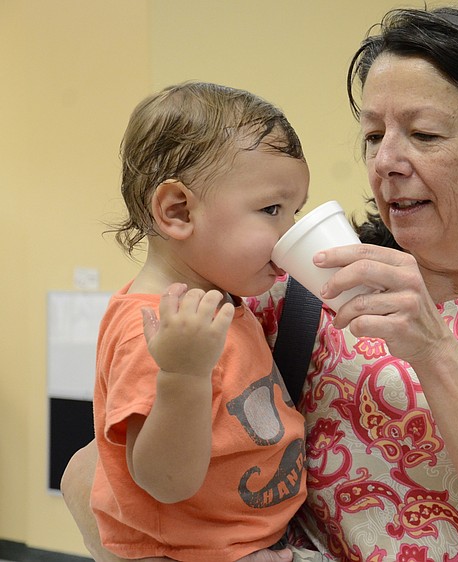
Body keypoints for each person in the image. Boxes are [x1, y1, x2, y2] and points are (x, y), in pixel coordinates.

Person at [61, 6, 458, 561]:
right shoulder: (292, 286)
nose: (386, 161)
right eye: (373, 135)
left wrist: (434, 349)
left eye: (424, 134)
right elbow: (89, 473)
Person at [86, 81, 310, 561]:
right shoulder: (156, 328)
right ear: (178, 211)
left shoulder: (219, 301)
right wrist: (182, 373)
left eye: (295, 212)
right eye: (272, 210)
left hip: (250, 539)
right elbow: (165, 481)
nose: (288, 233)